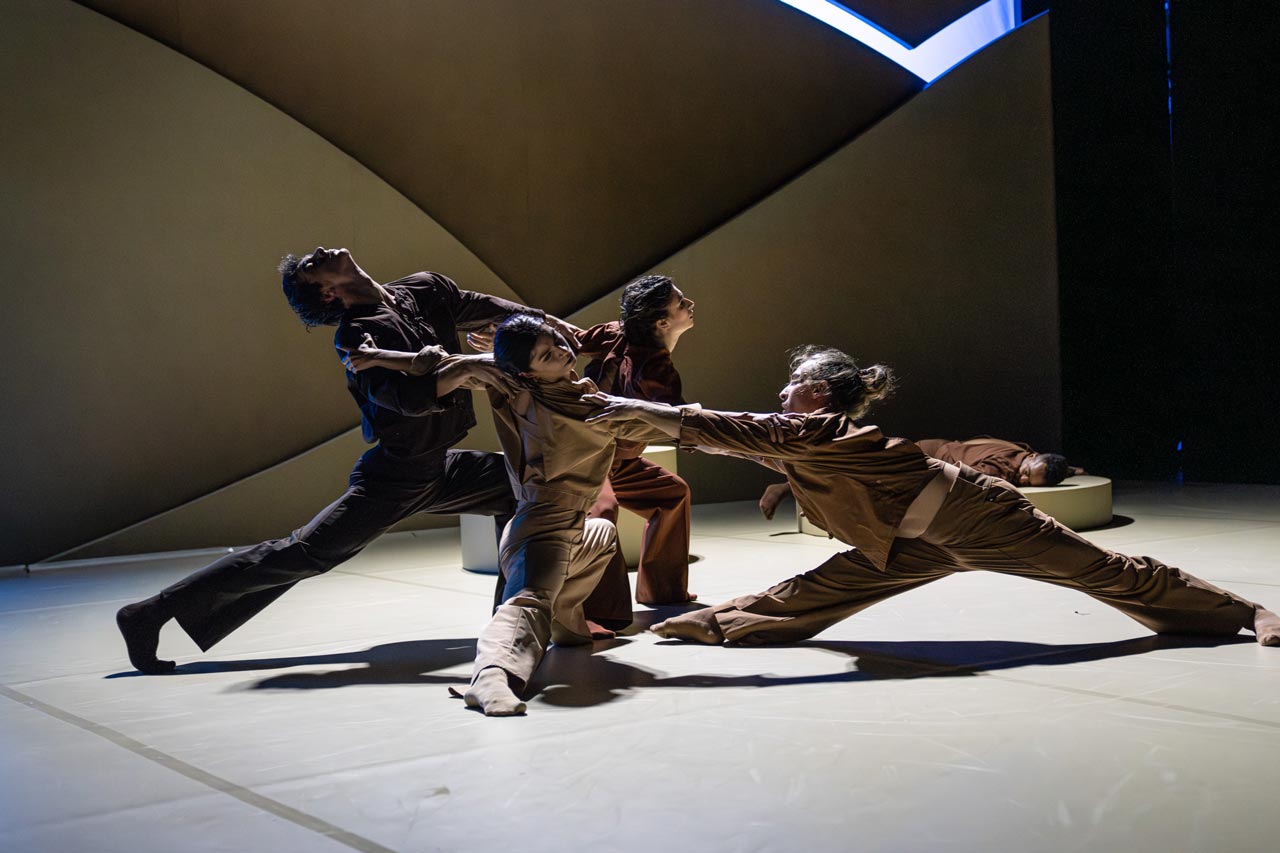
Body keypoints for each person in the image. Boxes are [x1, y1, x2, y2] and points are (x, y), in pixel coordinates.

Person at [586, 346, 1280, 649]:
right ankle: (716, 625)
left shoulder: (819, 429)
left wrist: (617, 407)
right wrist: (627, 417)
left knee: (1107, 573)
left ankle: (1246, 611)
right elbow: (737, 441)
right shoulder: (805, 439)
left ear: (820, 392)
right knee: (815, 590)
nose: (782, 391)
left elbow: (725, 428)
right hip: (909, 545)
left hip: (981, 520)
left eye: (792, 383)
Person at [115, 247, 560, 674]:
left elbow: (488, 309)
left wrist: (550, 329)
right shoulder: (355, 335)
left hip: (440, 467)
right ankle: (148, 614)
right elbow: (405, 399)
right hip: (397, 474)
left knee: (518, 493)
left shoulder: (423, 288)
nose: (320, 249)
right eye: (312, 265)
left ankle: (510, 623)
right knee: (303, 554)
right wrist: (464, 368)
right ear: (328, 293)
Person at [347, 314, 669, 715]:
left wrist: (378, 356)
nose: (562, 351)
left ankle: (563, 618)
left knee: (602, 534)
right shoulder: (526, 390)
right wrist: (376, 358)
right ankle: (491, 678)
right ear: (527, 371)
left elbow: (440, 360)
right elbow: (446, 365)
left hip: (572, 524)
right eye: (547, 354)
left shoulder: (569, 388)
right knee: (527, 601)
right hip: (541, 525)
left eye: (557, 342)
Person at [572, 275, 698, 629]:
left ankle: (661, 590)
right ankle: (592, 614)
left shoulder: (632, 345)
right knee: (602, 512)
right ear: (662, 323)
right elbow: (673, 418)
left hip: (617, 458)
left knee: (672, 495)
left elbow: (671, 416)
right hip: (584, 456)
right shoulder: (641, 355)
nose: (690, 305)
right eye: (681, 303)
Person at [758, 436, 1083, 520]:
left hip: (926, 449)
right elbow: (975, 482)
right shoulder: (1001, 465)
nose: (1022, 479)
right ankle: (786, 484)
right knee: (854, 474)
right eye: (1026, 473)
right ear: (1032, 458)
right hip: (922, 460)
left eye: (1027, 482)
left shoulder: (1022, 449)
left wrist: (1071, 471)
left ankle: (794, 484)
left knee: (854, 471)